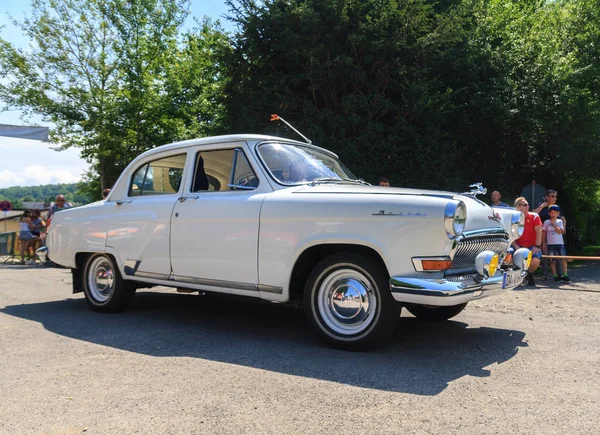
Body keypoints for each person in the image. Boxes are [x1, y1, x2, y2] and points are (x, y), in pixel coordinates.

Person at [533, 189, 566, 279]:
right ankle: (544, 274)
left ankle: (560, 274)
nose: (554, 198)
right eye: (552, 196)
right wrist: (541, 207)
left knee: (558, 254)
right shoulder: (542, 205)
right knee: (545, 252)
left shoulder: (557, 207)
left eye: (555, 196)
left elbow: (563, 218)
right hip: (543, 232)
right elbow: (533, 214)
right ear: (547, 197)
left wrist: (563, 229)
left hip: (556, 234)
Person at [511, 197, 543, 287]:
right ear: (517, 207)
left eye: (526, 204)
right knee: (507, 257)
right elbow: (510, 234)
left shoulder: (534, 216)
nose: (526, 206)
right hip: (516, 244)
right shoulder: (513, 218)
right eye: (523, 205)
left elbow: (539, 231)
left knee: (536, 260)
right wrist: (516, 246)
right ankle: (513, 277)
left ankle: (528, 274)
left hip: (531, 246)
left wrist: (537, 246)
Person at [543, 205, 571, 283]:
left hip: (559, 244)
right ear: (549, 213)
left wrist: (553, 224)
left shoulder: (559, 221)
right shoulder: (546, 222)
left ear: (558, 213)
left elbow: (560, 232)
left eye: (555, 212)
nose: (553, 214)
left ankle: (565, 274)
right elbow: (544, 234)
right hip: (550, 244)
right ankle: (555, 276)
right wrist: (543, 244)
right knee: (552, 261)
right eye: (551, 212)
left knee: (563, 259)